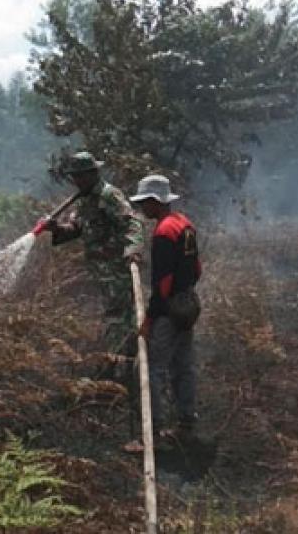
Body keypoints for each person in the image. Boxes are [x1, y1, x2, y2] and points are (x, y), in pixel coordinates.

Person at [32, 151, 144, 355]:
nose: (76, 181)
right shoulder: (84, 201)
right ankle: (117, 357)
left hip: (117, 270)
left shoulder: (109, 195)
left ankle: (123, 358)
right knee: (112, 314)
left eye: (80, 176)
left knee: (120, 316)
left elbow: (132, 223)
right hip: (100, 272)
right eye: (74, 177)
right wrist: (54, 228)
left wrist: (133, 248)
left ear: (92, 174)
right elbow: (75, 229)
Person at [129, 174, 202, 447]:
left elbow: (162, 284)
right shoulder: (185, 225)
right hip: (188, 305)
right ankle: (186, 423)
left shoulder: (162, 233)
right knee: (183, 366)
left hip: (169, 311)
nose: (142, 209)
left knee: (150, 369)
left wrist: (149, 319)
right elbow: (197, 269)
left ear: (155, 202)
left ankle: (153, 434)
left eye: (145, 203)